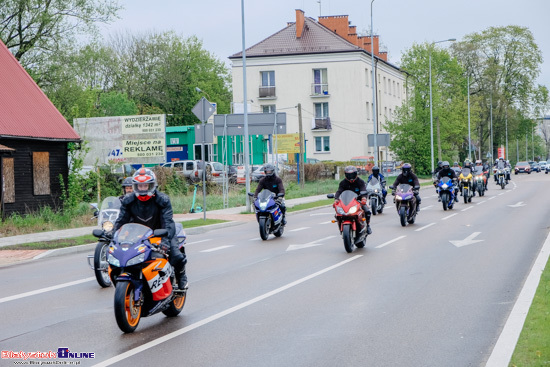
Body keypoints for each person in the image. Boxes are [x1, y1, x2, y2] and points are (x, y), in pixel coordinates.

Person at [113, 168, 188, 289]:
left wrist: (164, 241)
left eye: (145, 185)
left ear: (152, 185)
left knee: (176, 256)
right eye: (139, 186)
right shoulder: (128, 201)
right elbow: (121, 221)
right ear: (135, 186)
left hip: (162, 231)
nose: (142, 189)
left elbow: (167, 222)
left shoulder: (162, 200)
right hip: (138, 234)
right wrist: (114, 236)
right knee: (123, 257)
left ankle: (181, 275)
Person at [334, 166, 372, 234]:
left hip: (358, 201)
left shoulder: (360, 181)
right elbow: (339, 191)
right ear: (346, 175)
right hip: (346, 202)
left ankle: (368, 226)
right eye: (348, 175)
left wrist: (364, 198)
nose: (350, 176)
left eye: (352, 174)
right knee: (338, 213)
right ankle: (340, 226)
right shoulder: (343, 183)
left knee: (367, 211)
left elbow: (363, 190)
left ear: (356, 174)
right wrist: (336, 199)